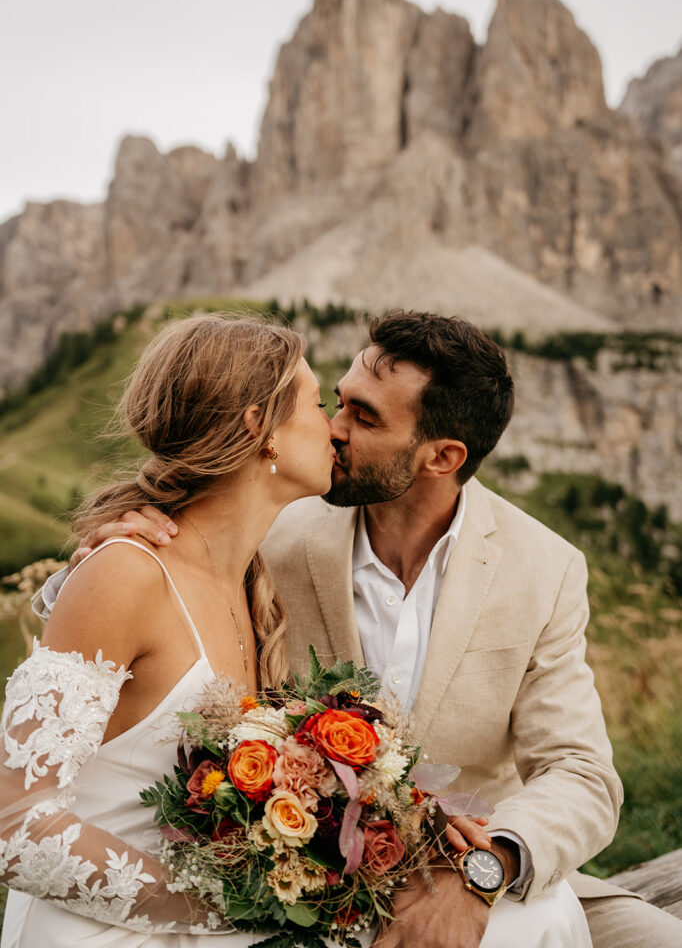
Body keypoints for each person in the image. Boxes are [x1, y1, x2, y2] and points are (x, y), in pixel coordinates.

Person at [32, 311, 682, 947]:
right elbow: (154, 589)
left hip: (487, 874)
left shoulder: (544, 568)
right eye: (336, 402)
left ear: (442, 456)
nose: (335, 429)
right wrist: (87, 567)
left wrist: (484, 873)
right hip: (299, 888)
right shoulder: (273, 528)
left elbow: (580, 771)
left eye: (364, 417)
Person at [0, 314, 350, 947]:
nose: (335, 429)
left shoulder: (253, 589)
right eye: (318, 403)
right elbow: (14, 824)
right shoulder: (129, 573)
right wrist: (221, 908)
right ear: (258, 427)